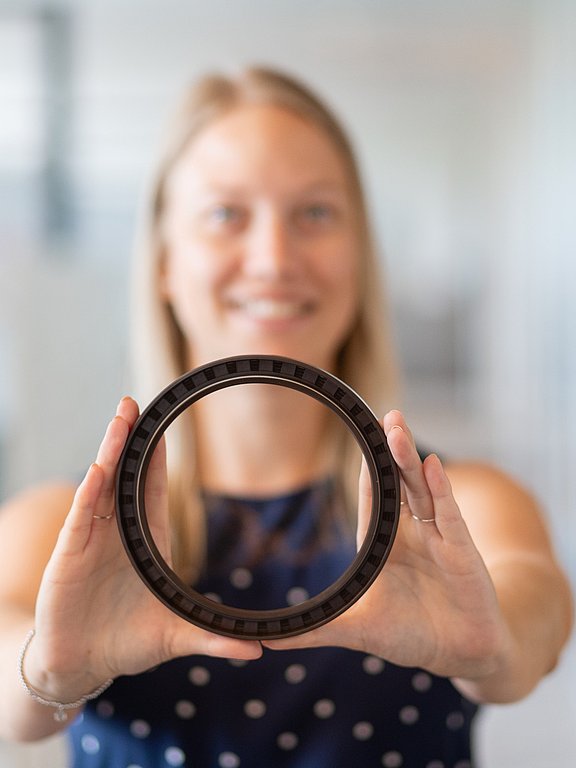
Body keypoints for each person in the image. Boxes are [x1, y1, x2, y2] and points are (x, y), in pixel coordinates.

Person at [0, 66, 572, 768]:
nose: (273, 259)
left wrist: (495, 648)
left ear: (360, 256)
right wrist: (48, 670)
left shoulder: (460, 506)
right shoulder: (62, 525)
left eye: (316, 213)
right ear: (164, 263)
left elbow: (536, 612)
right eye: (224, 215)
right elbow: (6, 667)